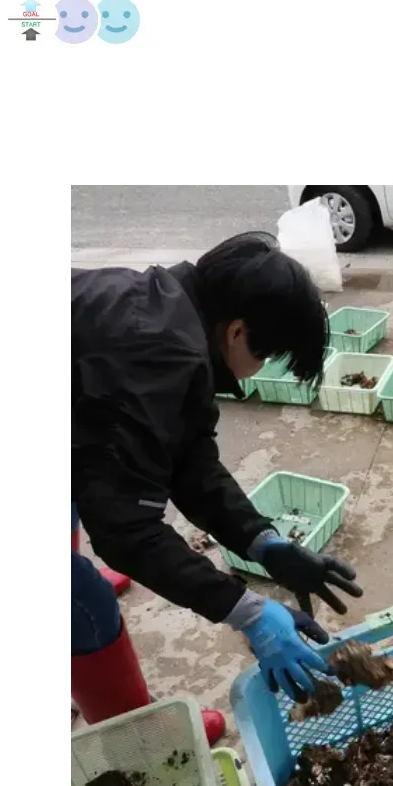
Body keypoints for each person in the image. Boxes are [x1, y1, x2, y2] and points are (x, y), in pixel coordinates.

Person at [72, 232, 360, 722]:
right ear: (237, 330)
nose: (257, 371)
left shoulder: (179, 318)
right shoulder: (156, 353)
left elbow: (190, 460)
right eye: (265, 356)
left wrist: (262, 542)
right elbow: (126, 533)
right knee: (84, 605)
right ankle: (140, 740)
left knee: (85, 495)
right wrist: (246, 611)